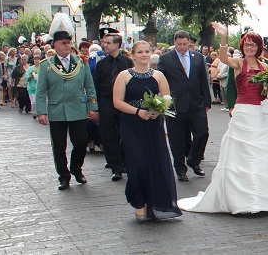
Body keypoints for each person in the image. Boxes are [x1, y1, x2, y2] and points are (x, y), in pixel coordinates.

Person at [177, 22, 268, 214]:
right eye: (247, 44)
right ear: (242, 47)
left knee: (265, 152)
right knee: (242, 153)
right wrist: (224, 37)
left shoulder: (264, 65)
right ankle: (242, 198)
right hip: (243, 112)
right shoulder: (238, 63)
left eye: (254, 45)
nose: (250, 48)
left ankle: (266, 194)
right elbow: (223, 57)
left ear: (258, 48)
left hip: (261, 113)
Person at [113, 40, 182, 221]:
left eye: (146, 52)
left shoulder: (158, 75)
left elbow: (166, 98)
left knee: (155, 162)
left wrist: (156, 110)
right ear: (133, 55)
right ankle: (139, 203)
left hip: (152, 125)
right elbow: (117, 102)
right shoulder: (124, 76)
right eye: (140, 52)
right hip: (131, 125)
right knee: (138, 163)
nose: (144, 55)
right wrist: (138, 111)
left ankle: (156, 200)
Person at [36, 13, 98, 190]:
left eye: (69, 43)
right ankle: (64, 176)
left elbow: (89, 86)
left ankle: (76, 169)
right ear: (55, 45)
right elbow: (41, 91)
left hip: (77, 108)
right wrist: (41, 111)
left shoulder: (81, 62)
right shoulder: (47, 65)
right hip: (57, 111)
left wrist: (93, 106)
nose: (68, 46)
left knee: (80, 142)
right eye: (64, 43)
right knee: (59, 146)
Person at [157, 30, 211, 182]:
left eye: (185, 44)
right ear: (174, 43)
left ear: (189, 43)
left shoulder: (198, 58)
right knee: (177, 139)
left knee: (202, 133)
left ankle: (194, 160)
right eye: (179, 44)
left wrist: (207, 102)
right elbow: (160, 81)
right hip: (175, 105)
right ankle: (180, 169)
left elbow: (203, 81)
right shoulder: (165, 59)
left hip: (196, 103)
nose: (182, 47)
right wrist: (162, 102)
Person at [93, 32, 134, 182]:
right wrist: (95, 106)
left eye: (108, 43)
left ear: (117, 45)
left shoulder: (128, 63)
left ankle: (124, 161)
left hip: (124, 103)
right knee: (109, 135)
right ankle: (115, 166)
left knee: (126, 134)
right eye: (104, 43)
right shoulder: (101, 64)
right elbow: (96, 86)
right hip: (107, 103)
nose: (104, 45)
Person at [25, 53, 41, 119]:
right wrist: (31, 77)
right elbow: (26, 77)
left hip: (40, 87)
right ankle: (34, 112)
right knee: (33, 101)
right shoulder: (30, 68)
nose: (36, 61)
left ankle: (40, 112)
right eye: (35, 60)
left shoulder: (42, 68)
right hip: (32, 87)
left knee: (39, 101)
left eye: (37, 59)